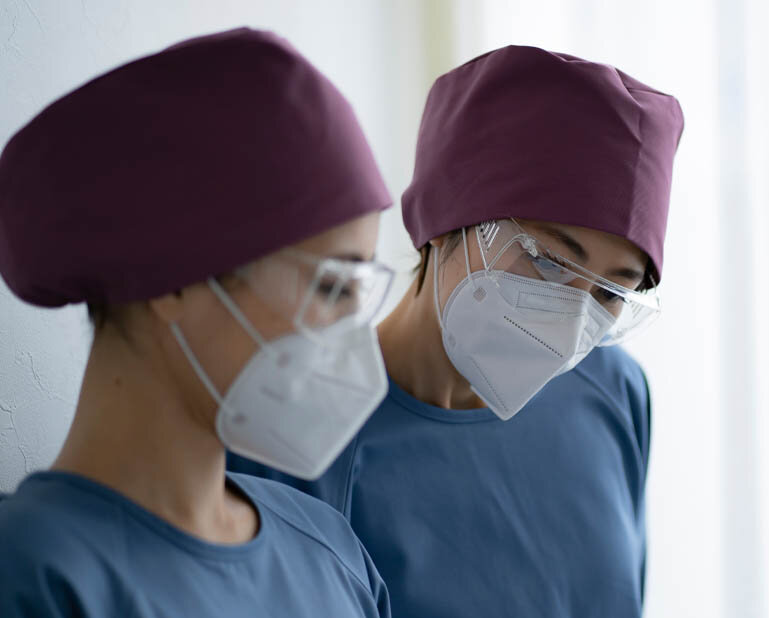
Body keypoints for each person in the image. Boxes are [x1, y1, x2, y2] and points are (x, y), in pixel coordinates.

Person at [230, 45, 683, 617]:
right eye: (548, 263)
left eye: (610, 293)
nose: (571, 322)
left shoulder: (613, 394)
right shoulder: (293, 440)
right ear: (446, 220)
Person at [0, 28, 394, 617]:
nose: (354, 337)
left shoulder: (330, 550)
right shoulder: (32, 572)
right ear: (175, 280)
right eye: (332, 285)